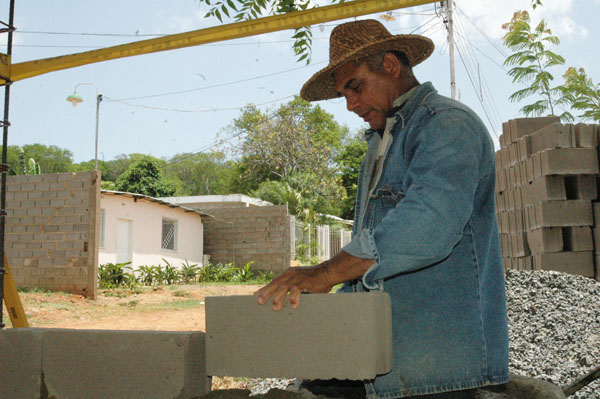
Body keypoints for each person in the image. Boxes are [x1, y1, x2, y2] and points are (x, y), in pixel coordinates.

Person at [256, 19, 509, 399]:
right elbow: (370, 255)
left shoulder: (447, 126)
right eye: (344, 94)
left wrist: (326, 273)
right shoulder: (381, 142)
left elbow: (428, 224)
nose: (350, 104)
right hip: (387, 351)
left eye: (355, 87)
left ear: (391, 66)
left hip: (437, 364)